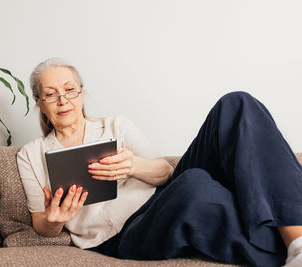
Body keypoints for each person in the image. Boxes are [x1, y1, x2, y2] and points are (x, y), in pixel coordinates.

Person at [17, 58, 302, 267]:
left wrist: (133, 166)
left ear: (81, 94)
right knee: (195, 186)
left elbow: (166, 173)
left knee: (236, 103)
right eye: (51, 94)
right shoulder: (30, 154)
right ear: (39, 102)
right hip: (121, 239)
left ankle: (298, 242)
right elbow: (42, 224)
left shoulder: (117, 125)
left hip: (159, 201)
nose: (62, 100)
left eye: (69, 90)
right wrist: (56, 220)